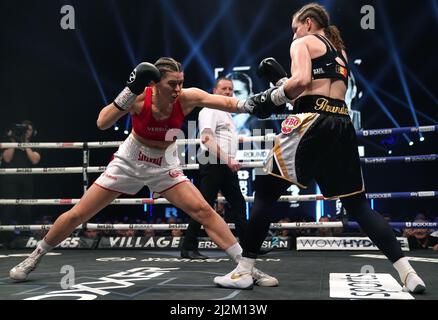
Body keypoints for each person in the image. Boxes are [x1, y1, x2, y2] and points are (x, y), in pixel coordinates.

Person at [9, 57, 276, 287]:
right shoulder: (138, 98)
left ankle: (246, 267)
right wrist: (130, 89)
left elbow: (225, 103)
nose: (178, 88)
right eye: (172, 83)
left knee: (204, 211)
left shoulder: (185, 98)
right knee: (79, 213)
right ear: (154, 83)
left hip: (163, 163)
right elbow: (102, 122)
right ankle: (35, 256)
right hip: (130, 159)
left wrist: (260, 101)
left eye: (181, 82)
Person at [214, 3, 426, 293]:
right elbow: (312, 89)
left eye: (295, 29)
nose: (293, 36)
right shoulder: (340, 52)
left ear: (309, 23)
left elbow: (301, 84)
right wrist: (282, 85)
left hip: (309, 122)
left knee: (265, 189)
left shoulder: (304, 42)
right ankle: (408, 273)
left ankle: (244, 271)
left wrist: (270, 97)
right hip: (341, 123)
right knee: (358, 205)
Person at [181, 77, 248, 260]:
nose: (228, 92)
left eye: (230, 89)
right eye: (224, 89)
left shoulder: (226, 113)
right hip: (213, 162)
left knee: (239, 204)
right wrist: (228, 160)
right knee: (203, 206)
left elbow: (224, 138)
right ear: (214, 91)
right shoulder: (210, 109)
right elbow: (207, 139)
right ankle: (188, 246)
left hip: (225, 164)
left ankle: (250, 247)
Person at [0, 120, 41, 225]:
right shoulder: (9, 142)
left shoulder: (34, 144)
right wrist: (14, 141)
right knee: (8, 208)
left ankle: (25, 237)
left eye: (29, 129)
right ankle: (6, 239)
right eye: (24, 128)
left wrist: (25, 143)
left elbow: (35, 160)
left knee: (25, 209)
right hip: (9, 179)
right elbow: (7, 159)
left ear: (33, 132)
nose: (26, 131)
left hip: (26, 180)